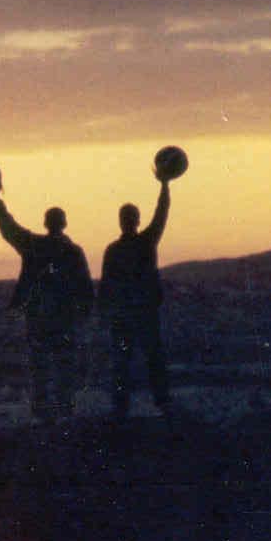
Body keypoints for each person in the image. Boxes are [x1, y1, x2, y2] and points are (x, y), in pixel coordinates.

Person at [0, 193, 93, 423]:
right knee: (63, 364)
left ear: (46, 224)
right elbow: (85, 286)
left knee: (40, 366)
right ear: (64, 224)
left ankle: (42, 411)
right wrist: (86, 312)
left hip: (38, 316)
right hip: (64, 317)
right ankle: (63, 409)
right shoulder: (73, 252)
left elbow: (8, 227)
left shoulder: (34, 245)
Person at [98, 177, 172, 419]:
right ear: (136, 221)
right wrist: (164, 186)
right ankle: (161, 403)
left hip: (123, 314)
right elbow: (162, 214)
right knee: (152, 359)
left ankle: (122, 407)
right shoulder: (146, 241)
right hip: (143, 312)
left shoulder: (114, 250)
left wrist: (102, 312)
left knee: (123, 362)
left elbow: (105, 286)